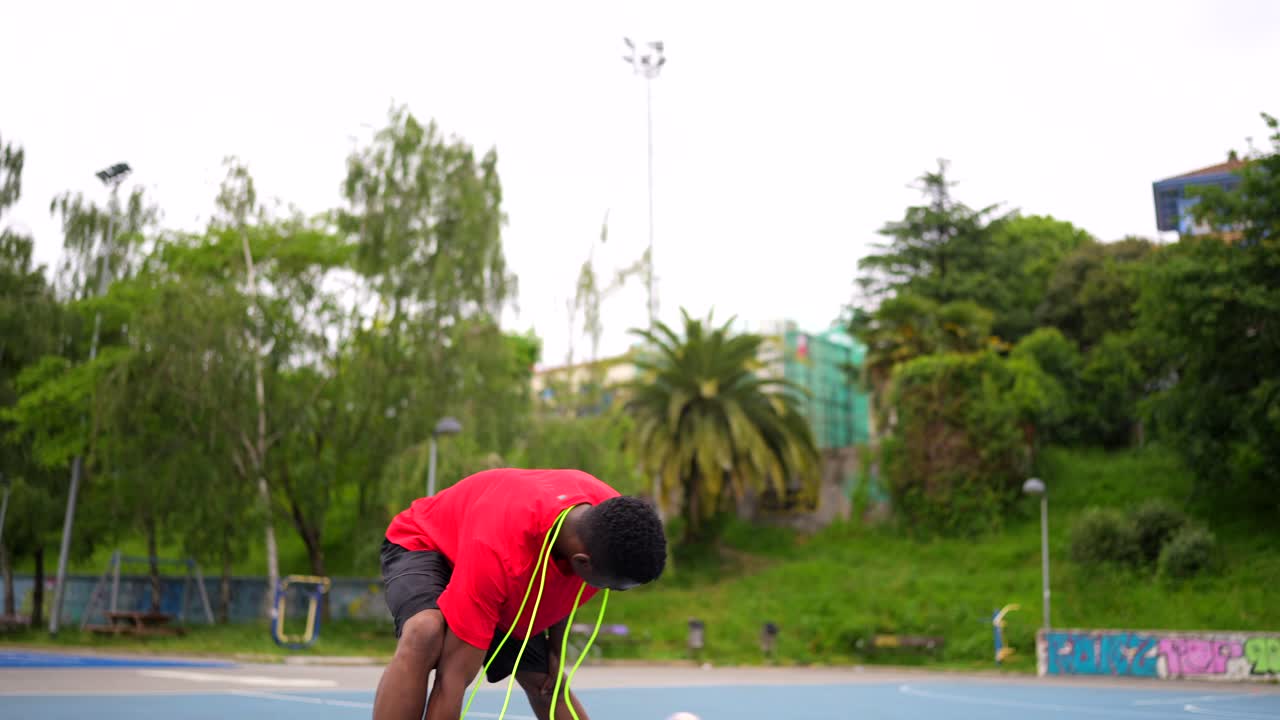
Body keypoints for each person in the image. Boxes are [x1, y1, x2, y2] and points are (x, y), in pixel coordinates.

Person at [373, 467, 667, 720]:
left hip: (506, 568)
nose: (607, 592)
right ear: (583, 563)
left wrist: (556, 651)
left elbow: (567, 588)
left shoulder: (613, 522)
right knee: (425, 632)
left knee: (548, 683)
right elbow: (452, 681)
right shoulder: (500, 554)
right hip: (429, 542)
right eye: (610, 586)